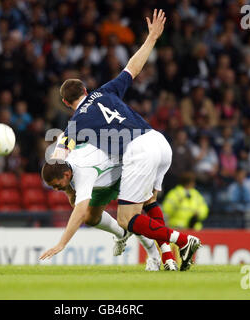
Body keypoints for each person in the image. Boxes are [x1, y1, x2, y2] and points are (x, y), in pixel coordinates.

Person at [41, 10, 201, 271]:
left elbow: (60, 155)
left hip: (138, 151)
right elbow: (133, 68)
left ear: (65, 103)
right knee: (150, 202)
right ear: (85, 90)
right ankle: (168, 259)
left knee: (127, 218)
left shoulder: (76, 122)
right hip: (158, 140)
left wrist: (60, 165)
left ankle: (183, 241)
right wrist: (151, 38)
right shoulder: (105, 90)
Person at [42, 143, 177, 271]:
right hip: (103, 179)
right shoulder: (62, 162)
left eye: (56, 185)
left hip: (125, 173)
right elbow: (74, 198)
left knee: (130, 218)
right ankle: (122, 233)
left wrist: (61, 244)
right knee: (90, 218)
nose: (55, 189)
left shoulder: (83, 172)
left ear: (66, 175)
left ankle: (154, 256)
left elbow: (80, 212)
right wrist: (68, 191)